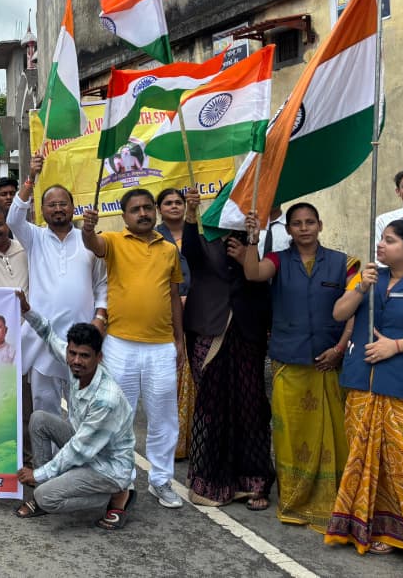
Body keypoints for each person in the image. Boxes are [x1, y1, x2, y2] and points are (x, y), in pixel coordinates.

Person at [325, 220, 403, 573]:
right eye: (381, 239)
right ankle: (387, 531)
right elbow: (339, 313)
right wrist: (361, 287)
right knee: (371, 461)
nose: (381, 245)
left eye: (389, 241)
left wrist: (396, 346)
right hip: (364, 385)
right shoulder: (367, 277)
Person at [239, 203, 357, 528]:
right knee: (290, 434)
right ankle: (294, 498)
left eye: (309, 222)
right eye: (297, 223)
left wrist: (339, 348)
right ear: (289, 229)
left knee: (334, 433)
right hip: (288, 360)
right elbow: (252, 273)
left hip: (329, 361)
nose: (304, 228)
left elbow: (354, 310)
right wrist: (252, 240)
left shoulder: (343, 263)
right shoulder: (277, 260)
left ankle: (334, 500)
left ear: (320, 225)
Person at [82, 188, 185, 509]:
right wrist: (88, 228)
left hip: (161, 346)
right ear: (124, 216)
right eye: (135, 209)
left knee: (164, 417)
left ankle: (161, 480)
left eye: (147, 207)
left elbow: (173, 296)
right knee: (119, 416)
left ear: (155, 211)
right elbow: (92, 244)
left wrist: (179, 339)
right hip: (120, 345)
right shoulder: (113, 241)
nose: (143, 213)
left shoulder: (169, 249)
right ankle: (122, 480)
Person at [181, 188, 274, 510]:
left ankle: (254, 482)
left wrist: (248, 251)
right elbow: (190, 253)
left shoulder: (255, 240)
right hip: (210, 330)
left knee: (251, 408)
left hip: (247, 333)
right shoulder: (203, 241)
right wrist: (191, 214)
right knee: (213, 408)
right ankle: (211, 480)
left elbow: (261, 283)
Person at [14, 292, 135, 529]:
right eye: (73, 353)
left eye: (84, 356)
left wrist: (38, 474)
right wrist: (27, 310)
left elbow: (78, 449)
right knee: (39, 419)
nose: (77, 360)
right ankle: (47, 488)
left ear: (99, 357)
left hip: (107, 468)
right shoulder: (76, 365)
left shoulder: (106, 399)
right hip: (88, 450)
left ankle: (116, 495)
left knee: (45, 496)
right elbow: (48, 335)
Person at [6, 154, 107, 418]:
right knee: (45, 412)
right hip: (44, 341)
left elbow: (101, 284)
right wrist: (30, 177)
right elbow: (13, 219)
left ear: (73, 207)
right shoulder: (34, 237)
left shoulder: (90, 240)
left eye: (63, 204)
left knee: (83, 412)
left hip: (82, 340)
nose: (58, 209)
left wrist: (100, 317)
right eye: (51, 205)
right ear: (42, 210)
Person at [155, 188, 194, 461]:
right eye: (167, 203)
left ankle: (192, 440)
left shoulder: (197, 234)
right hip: (165, 316)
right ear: (159, 209)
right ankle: (170, 443)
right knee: (168, 379)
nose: (174, 206)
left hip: (200, 312)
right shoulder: (153, 237)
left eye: (178, 202)